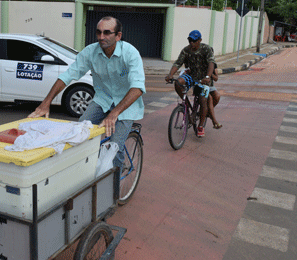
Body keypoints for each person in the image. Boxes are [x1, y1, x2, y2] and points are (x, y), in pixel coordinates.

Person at [28, 16, 146, 167]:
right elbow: (67, 76)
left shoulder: (130, 53)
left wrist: (114, 113)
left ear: (118, 36)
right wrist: (46, 103)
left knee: (114, 149)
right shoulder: (90, 52)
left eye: (107, 32)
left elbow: (137, 88)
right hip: (102, 100)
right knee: (79, 134)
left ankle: (115, 186)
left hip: (126, 107)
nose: (101, 37)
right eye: (99, 32)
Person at [164, 30, 215, 138]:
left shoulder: (206, 49)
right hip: (192, 76)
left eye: (194, 40)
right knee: (178, 82)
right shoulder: (186, 50)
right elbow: (178, 63)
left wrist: (208, 77)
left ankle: (201, 126)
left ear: (200, 40)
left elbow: (211, 63)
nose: (191, 43)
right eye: (190, 40)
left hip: (203, 79)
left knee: (202, 99)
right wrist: (170, 75)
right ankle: (186, 106)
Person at [207, 63, 222, 129]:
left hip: (210, 86)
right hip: (200, 84)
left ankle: (208, 112)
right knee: (209, 98)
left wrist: (210, 74)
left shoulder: (213, 64)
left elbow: (216, 78)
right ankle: (214, 121)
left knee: (217, 96)